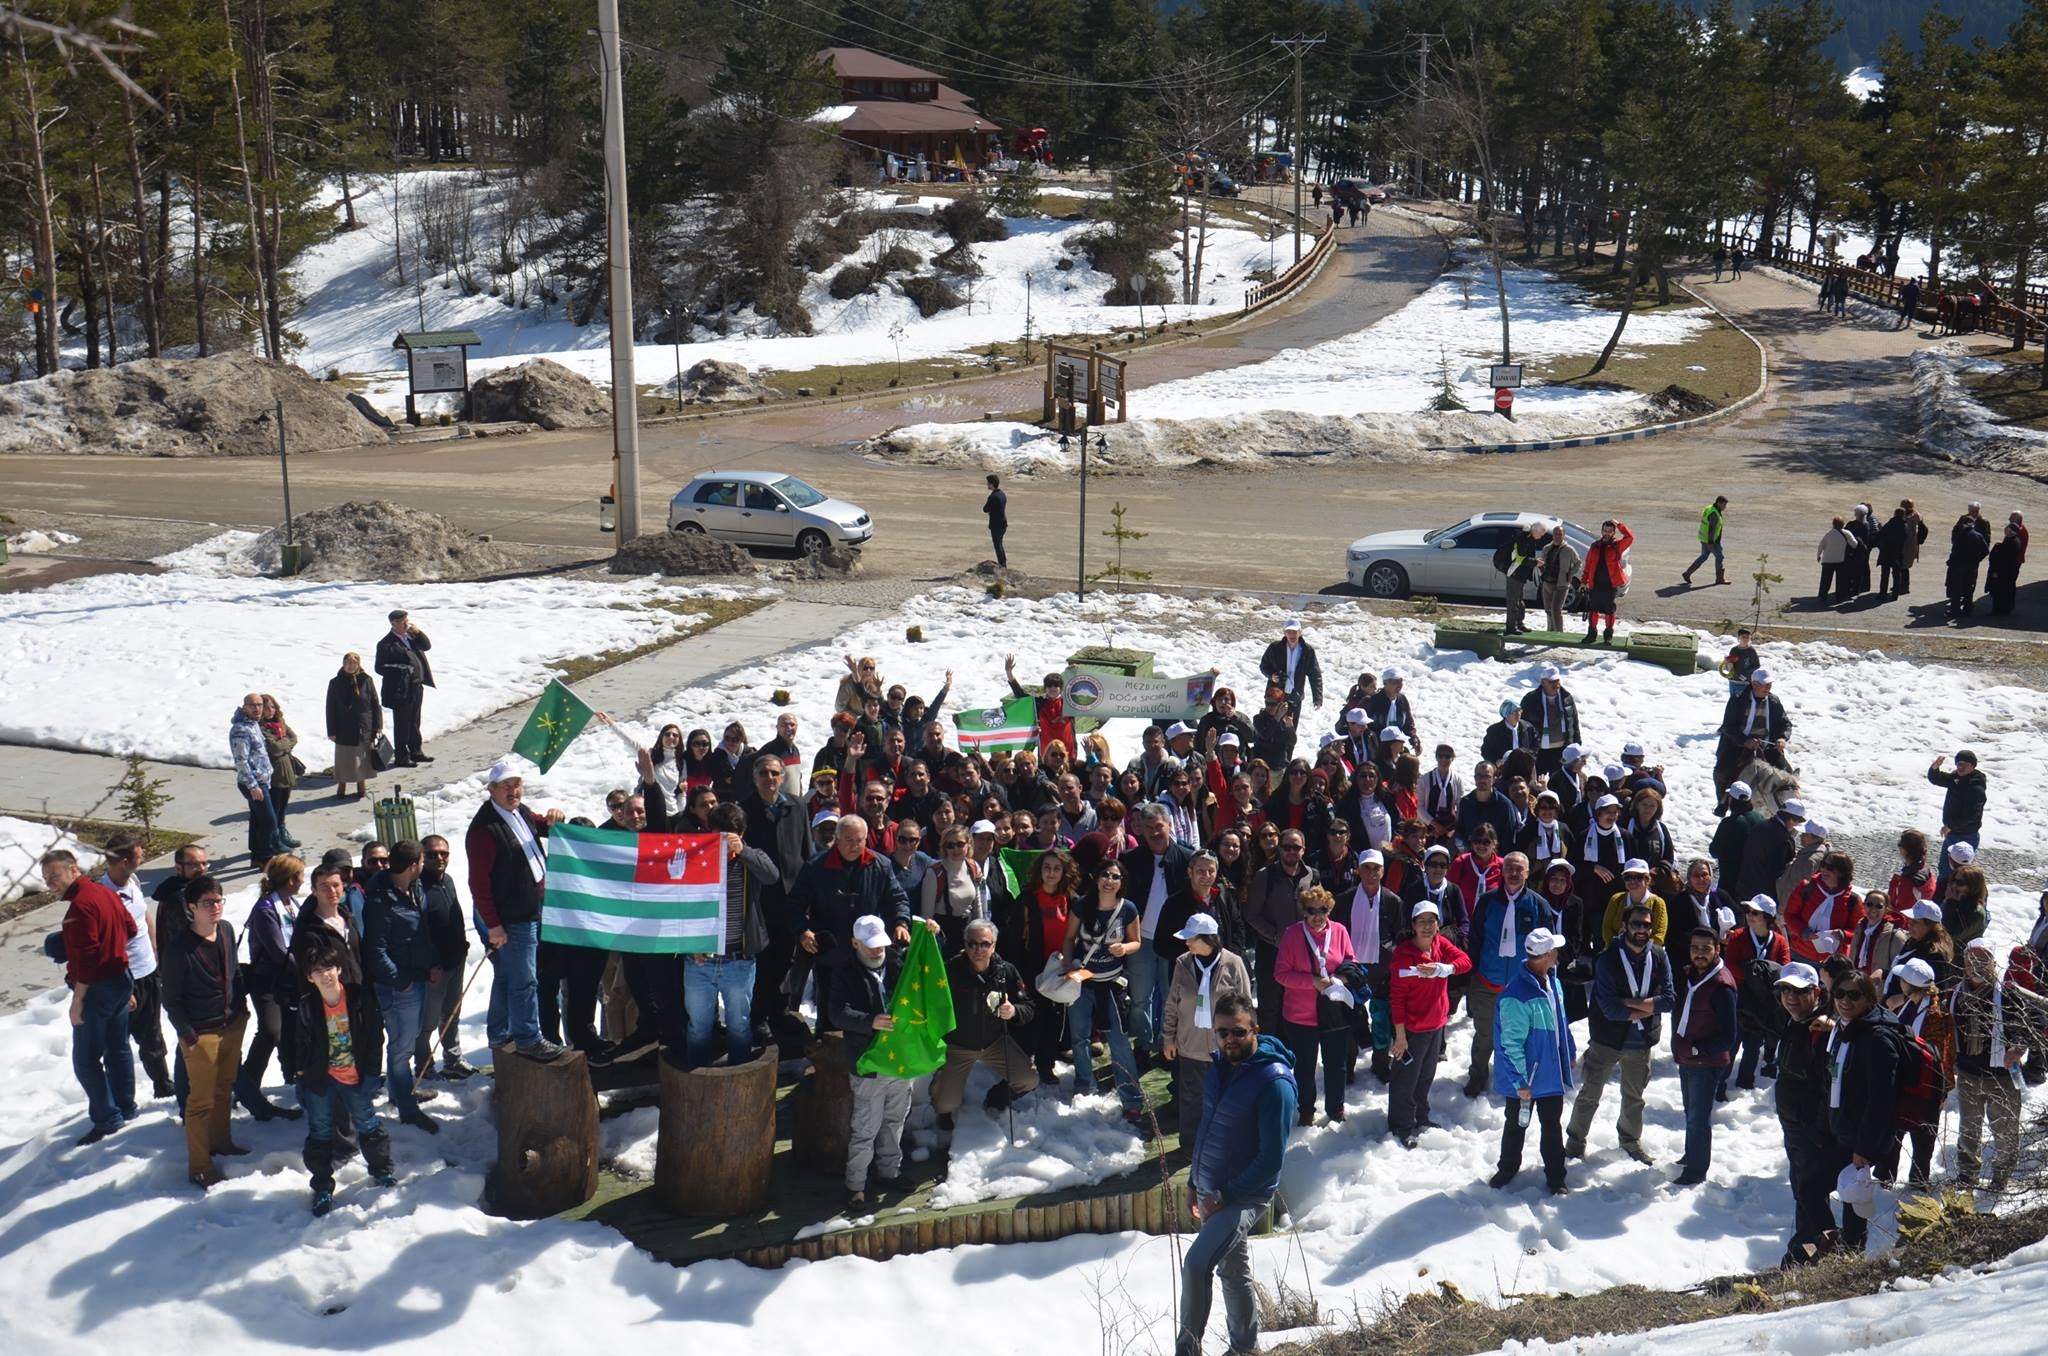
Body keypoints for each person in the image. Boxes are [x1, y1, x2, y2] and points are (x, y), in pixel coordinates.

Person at [1173, 992, 1296, 1356]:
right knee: (1232, 1270)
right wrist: (1195, 1182)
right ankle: (1246, 1349)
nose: (1230, 1040)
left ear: (1254, 1029)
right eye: (1223, 1032)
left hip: (1243, 1195)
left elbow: (1271, 1159)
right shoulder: (1219, 1067)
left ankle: (1186, 1351)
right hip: (1212, 1189)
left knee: (1196, 1265)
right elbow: (1206, 1130)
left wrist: (1223, 1195)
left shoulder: (1275, 1083)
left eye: (1239, 1032)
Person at [466, 762, 567, 1062]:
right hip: (513, 915)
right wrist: (494, 925)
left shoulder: (518, 812)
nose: (514, 791)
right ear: (492, 790)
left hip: (531, 907)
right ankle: (527, 1037)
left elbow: (540, 824)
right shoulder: (484, 830)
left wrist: (553, 819)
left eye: (517, 785)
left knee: (508, 976)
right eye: (506, 786)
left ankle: (498, 1031)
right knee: (525, 979)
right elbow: (478, 884)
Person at [292, 928, 396, 1214]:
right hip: (320, 1080)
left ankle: (382, 1170)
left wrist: (373, 1072)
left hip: (356, 1077)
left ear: (339, 969)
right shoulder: (308, 1006)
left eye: (329, 968)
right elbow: (300, 1044)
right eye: (317, 971)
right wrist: (300, 1075)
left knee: (368, 1122)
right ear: (309, 977)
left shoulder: (360, 999)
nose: (325, 975)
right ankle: (323, 1187)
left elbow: (376, 1037)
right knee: (320, 1131)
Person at [159, 874, 250, 1188]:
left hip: (231, 1025)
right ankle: (199, 1166)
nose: (215, 908)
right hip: (201, 1034)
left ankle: (221, 1141)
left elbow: (235, 973)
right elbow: (170, 999)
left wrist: (241, 1011)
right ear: (191, 907)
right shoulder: (179, 950)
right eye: (207, 903)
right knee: (200, 1102)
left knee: (225, 1087)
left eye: (219, 901)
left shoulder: (225, 930)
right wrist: (188, 1036)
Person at [1568, 902, 1673, 1164]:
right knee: (1590, 1093)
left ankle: (1630, 1140)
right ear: (1624, 926)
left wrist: (1629, 1003)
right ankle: (1574, 1142)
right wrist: (1649, 1006)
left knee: (1635, 1098)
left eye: (1647, 925)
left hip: (1641, 1041)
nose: (1641, 929)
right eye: (1636, 923)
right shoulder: (1607, 958)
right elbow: (1610, 1009)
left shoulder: (1658, 955)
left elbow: (1670, 1000)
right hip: (1607, 1039)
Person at [790, 813, 914, 1032]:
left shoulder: (880, 865)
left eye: (859, 840)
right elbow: (794, 905)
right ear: (836, 839)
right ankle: (829, 1055)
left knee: (868, 1008)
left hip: (868, 952)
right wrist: (803, 931)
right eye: (848, 840)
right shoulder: (816, 866)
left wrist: (901, 923)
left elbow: (897, 899)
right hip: (830, 951)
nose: (854, 846)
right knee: (831, 1010)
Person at [47, 850, 138, 1144]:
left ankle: (107, 1118)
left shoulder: (79, 910)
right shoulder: (105, 893)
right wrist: (115, 955)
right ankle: (126, 1106)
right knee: (118, 1048)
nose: (51, 884)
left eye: (55, 877)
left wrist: (77, 1003)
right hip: (121, 980)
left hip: (96, 989)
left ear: (73, 870)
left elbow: (86, 961)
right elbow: (131, 929)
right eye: (46, 880)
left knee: (86, 1061)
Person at [682, 805, 779, 1068]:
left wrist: (744, 850)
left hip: (739, 959)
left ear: (742, 833)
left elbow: (772, 876)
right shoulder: (694, 859)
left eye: (730, 835)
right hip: (700, 960)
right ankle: (698, 1079)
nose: (724, 842)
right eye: (718, 835)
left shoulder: (751, 858)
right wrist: (692, 945)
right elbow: (679, 905)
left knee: (739, 1025)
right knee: (698, 1027)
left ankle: (740, 1080)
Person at [1948, 939, 2043, 1191]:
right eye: (1971, 960)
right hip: (1969, 1072)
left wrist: (2019, 1047)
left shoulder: (2007, 992)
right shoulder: (1958, 992)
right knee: (1968, 1129)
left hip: (2001, 1075)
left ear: (1993, 962)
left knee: (2005, 1130)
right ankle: (1967, 1175)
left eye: (1982, 959)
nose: (1976, 965)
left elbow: (2032, 1021)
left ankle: (2001, 1176)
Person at [362, 839, 442, 1134]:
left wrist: (431, 963)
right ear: (413, 866)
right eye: (422, 862)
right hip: (398, 986)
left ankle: (400, 1091)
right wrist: (402, 981)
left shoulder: (415, 889)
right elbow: (376, 951)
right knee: (402, 1047)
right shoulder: (381, 901)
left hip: (416, 975)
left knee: (403, 1043)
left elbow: (422, 932)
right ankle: (407, 1109)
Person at [1488, 928, 1576, 1194]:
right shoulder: (1516, 996)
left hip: (1550, 1073)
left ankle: (1556, 1177)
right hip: (1527, 1077)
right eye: (1555, 951)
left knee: (1552, 1126)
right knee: (1516, 1124)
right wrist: (1520, 1081)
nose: (1558, 954)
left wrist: (1568, 1052)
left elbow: (1562, 1022)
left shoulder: (1553, 982)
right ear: (1547, 955)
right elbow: (1510, 1043)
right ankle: (1507, 1168)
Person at [833, 915, 911, 1207]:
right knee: (865, 1127)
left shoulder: (896, 963)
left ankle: (889, 1171)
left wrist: (935, 936)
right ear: (855, 943)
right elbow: (837, 1012)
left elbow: (925, 965)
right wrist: (869, 1022)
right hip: (868, 1063)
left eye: (881, 945)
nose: (878, 951)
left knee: (895, 1120)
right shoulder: (844, 971)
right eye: (870, 946)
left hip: (899, 1060)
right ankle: (855, 1183)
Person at [1823, 972, 1902, 1252]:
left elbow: (1881, 1100)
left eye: (1854, 995)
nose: (1845, 1000)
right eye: (1840, 994)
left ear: (1869, 999)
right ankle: (1843, 1245)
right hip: (1844, 1129)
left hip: (1860, 1138)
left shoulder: (1876, 1039)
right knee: (1845, 1194)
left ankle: (1852, 1252)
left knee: (1854, 1198)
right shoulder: (1847, 1029)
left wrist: (1864, 1146)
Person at [933, 918, 1039, 1127]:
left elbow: (1029, 1006)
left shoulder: (1006, 971)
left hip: (995, 1043)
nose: (978, 949)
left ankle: (998, 1096)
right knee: (944, 1105)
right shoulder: (950, 970)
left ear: (994, 946)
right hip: (958, 1045)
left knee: (1029, 1079)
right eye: (972, 943)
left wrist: (1014, 1011)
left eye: (984, 944)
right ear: (965, 944)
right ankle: (939, 1087)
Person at [1161, 912, 1252, 1146]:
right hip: (1190, 1046)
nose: (1187, 942)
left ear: (1209, 939)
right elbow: (1173, 1002)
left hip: (1225, 1048)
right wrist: (1168, 1038)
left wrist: (1246, 1045)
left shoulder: (1233, 963)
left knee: (1225, 1097)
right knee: (1191, 1100)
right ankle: (1190, 1146)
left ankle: (1223, 1144)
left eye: (1192, 938)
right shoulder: (1183, 962)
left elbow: (1245, 1006)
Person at [1064, 858, 1145, 1121]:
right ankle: (1084, 1086)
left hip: (1111, 984)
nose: (1110, 881)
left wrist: (1124, 948)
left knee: (1119, 1041)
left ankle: (1131, 1098)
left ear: (1122, 882)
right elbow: (1069, 938)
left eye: (1116, 877)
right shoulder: (1081, 905)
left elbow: (1137, 942)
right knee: (1080, 1036)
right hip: (1083, 982)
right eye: (1105, 875)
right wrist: (1068, 967)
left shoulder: (1128, 909)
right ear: (1097, 878)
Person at [1388, 899, 1471, 1147]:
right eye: (1421, 921)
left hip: (1436, 1026)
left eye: (1431, 921)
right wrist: (1400, 1036)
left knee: (1425, 1077)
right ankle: (1401, 1125)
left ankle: (1420, 1116)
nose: (1427, 926)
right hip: (1412, 1030)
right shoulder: (1403, 955)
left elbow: (1465, 962)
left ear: (1438, 925)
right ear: (1413, 925)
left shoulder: (1440, 944)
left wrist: (1444, 968)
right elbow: (1397, 1000)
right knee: (1405, 1081)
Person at [1466, 852, 1549, 1098]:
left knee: (1519, 1037)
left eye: (1519, 869)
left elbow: (1546, 948)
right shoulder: (1487, 901)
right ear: (1502, 871)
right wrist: (1474, 973)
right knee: (1485, 1035)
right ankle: (1478, 1075)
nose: (1514, 873)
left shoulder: (1537, 904)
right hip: (1487, 981)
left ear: (1527, 872)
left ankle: (1515, 1079)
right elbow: (1476, 939)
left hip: (1520, 985)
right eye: (1509, 868)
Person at [1771, 962, 1837, 1265]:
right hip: (1795, 1128)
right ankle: (1809, 1251)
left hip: (1811, 1131)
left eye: (1799, 991)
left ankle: (1809, 1253)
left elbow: (1826, 1085)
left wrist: (1817, 1130)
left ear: (1817, 993)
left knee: (1809, 1192)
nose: (1790, 997)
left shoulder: (1820, 1029)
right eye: (1785, 990)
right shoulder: (1796, 1022)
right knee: (1803, 1190)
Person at [1273, 885, 1355, 1126]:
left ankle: (1336, 1108)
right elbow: (1280, 974)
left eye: (1323, 910)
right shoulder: (1292, 934)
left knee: (1336, 1065)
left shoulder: (1339, 931)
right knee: (1305, 1067)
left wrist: (1341, 979)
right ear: (1303, 912)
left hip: (1334, 1012)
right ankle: (1306, 1109)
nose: (1318, 916)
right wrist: (1312, 982)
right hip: (1301, 1015)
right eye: (1312, 911)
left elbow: (1352, 962)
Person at [236, 854, 308, 1123]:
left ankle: (292, 1078)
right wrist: (306, 970)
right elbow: (278, 950)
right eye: (300, 876)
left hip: (290, 980)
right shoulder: (266, 909)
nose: (303, 880)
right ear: (290, 879)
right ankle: (247, 1085)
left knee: (291, 1032)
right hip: (268, 981)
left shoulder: (292, 902)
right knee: (271, 1031)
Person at [1670, 929, 1738, 1185]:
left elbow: (1729, 1036)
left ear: (1717, 950)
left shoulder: (1721, 985)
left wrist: (1698, 1050)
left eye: (1705, 949)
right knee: (1691, 1112)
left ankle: (1696, 1170)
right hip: (1687, 1058)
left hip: (1705, 1062)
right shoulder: (1691, 975)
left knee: (1699, 1118)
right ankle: (1692, 1154)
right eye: (1695, 948)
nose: (1699, 953)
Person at [1884, 957, 1953, 1190]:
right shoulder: (1911, 1003)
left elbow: (1937, 1054)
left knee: (1923, 1138)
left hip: (1925, 1087)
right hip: (1905, 1082)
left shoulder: (1934, 1015)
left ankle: (1918, 1182)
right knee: (1895, 1132)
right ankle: (1886, 1176)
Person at [1245, 828, 1319, 1031]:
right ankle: (1270, 1053)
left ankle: (1292, 1054)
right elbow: (1251, 914)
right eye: (1287, 847)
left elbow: (1319, 909)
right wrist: (1276, 936)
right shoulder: (1265, 876)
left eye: (1296, 847)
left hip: (1302, 953)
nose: (1291, 852)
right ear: (1279, 849)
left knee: (1295, 1007)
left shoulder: (1312, 876)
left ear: (1303, 850)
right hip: (1272, 951)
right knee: (1269, 1008)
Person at [1725, 895, 1791, 1089]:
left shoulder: (1779, 941)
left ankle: (1745, 1083)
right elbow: (1729, 965)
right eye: (1748, 912)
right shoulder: (1738, 936)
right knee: (1731, 1044)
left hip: (1762, 1002)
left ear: (1767, 917)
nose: (1749, 916)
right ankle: (1719, 1084)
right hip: (1739, 997)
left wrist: (1761, 975)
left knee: (1753, 1045)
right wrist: (1752, 974)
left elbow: (1784, 967)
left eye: (1755, 913)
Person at [374, 609, 435, 767]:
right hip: (401, 690)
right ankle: (402, 756)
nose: (406, 624)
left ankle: (416, 751)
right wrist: (400, 668)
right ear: (393, 624)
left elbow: (427, 646)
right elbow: (379, 668)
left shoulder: (411, 636)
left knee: (415, 720)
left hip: (416, 686)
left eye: (407, 621)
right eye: (403, 622)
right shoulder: (386, 644)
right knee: (402, 723)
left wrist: (418, 632)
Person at [230, 692, 279, 870]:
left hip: (263, 780)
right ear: (245, 707)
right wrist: (253, 786)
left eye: (260, 705)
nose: (258, 709)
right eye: (253, 705)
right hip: (253, 783)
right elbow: (241, 761)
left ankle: (257, 856)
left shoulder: (254, 725)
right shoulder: (241, 729)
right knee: (269, 821)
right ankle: (266, 857)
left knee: (258, 819)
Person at [1783, 849, 1856, 967]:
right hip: (1800, 954)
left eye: (1830, 867)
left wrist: (1843, 934)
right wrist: (1804, 932)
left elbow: (1857, 931)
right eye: (1823, 865)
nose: (1824, 869)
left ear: (1842, 872)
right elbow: (1790, 915)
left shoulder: (1853, 900)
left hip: (1832, 962)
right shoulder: (1806, 888)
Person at [325, 652, 382, 799]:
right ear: (343, 664)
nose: (351, 666)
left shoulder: (366, 680)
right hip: (343, 727)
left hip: (363, 726)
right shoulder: (335, 682)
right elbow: (330, 707)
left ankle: (361, 786)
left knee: (362, 758)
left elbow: (375, 703)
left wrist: (378, 725)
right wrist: (331, 730)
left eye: (354, 663)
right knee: (343, 759)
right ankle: (341, 787)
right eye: (349, 663)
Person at [1927, 750, 1986, 887]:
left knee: (1962, 875)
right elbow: (1937, 779)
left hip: (1967, 835)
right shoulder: (1956, 779)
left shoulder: (1976, 787)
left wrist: (1950, 825)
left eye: (1964, 764)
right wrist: (1935, 768)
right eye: (1958, 764)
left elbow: (1972, 815)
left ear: (1972, 766)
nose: (1960, 767)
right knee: (1944, 870)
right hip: (1952, 833)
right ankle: (1943, 899)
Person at [256, 694, 303, 851]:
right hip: (274, 773)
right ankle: (274, 839)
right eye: (266, 707)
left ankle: (283, 833)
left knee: (283, 806)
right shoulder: (261, 728)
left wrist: (283, 745)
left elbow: (294, 737)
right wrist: (285, 745)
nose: (270, 711)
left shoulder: (279, 722)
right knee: (274, 808)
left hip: (287, 770)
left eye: (272, 707)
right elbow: (274, 749)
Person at [1519, 664, 1581, 777]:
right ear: (1543, 682)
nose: (1556, 684)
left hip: (1562, 751)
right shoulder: (1531, 699)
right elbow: (1523, 726)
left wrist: (1577, 746)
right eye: (1552, 681)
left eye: (1557, 680)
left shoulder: (1566, 698)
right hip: (1540, 752)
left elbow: (1574, 723)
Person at [1579, 518, 1633, 645]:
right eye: (1605, 531)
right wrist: (1583, 581)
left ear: (1614, 533)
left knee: (1609, 610)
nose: (1607, 533)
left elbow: (1629, 537)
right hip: (1595, 584)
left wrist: (1619, 525)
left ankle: (1608, 635)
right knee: (1593, 610)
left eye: (1610, 531)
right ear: (1602, 531)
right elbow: (1588, 565)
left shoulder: (1617, 545)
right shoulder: (1595, 546)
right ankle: (1591, 634)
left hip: (1610, 584)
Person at [1259, 618, 1323, 714]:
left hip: (1295, 696)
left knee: (1291, 727)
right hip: (1275, 695)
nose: (1292, 635)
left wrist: (1317, 698)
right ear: (1285, 633)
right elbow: (1264, 666)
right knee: (1272, 726)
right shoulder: (1275, 648)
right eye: (1289, 632)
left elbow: (1315, 675)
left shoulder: (1307, 651)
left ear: (1300, 633)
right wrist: (1271, 676)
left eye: (1295, 632)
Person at [1945, 506, 1991, 620]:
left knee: (1957, 589)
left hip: (1958, 566)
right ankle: (1968, 610)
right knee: (1968, 589)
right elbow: (1985, 550)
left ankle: (1955, 610)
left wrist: (1951, 562)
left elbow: (1955, 551)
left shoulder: (1960, 536)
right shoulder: (1978, 536)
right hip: (1972, 566)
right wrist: (1977, 559)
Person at [1535, 523, 1581, 633]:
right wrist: (1541, 569)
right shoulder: (1547, 548)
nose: (1557, 536)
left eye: (1560, 534)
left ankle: (1559, 633)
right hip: (1547, 583)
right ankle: (1550, 631)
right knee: (1548, 610)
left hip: (1561, 584)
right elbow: (1542, 562)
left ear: (1563, 535)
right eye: (1556, 534)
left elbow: (1578, 563)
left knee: (1556, 610)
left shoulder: (1569, 549)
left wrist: (1570, 574)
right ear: (1553, 535)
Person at [1502, 521, 1544, 635]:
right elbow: (1521, 558)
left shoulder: (1529, 539)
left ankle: (1519, 624)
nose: (1541, 536)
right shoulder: (1524, 539)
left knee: (1519, 601)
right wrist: (1535, 562)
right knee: (1513, 602)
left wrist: (1535, 562)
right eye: (1541, 533)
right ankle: (1510, 628)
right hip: (1514, 573)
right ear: (1535, 531)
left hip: (1520, 574)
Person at [1876, 503, 1925, 599]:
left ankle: (1883, 594)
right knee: (1897, 574)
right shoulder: (1906, 526)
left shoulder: (1890, 524)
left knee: (1885, 575)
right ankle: (1895, 594)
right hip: (1899, 553)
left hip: (1887, 553)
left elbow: (1882, 535)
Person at [1682, 495, 1729, 587]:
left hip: (1704, 539)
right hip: (1711, 541)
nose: (1725, 507)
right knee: (1720, 557)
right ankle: (1720, 579)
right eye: (1724, 505)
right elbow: (1711, 529)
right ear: (1718, 503)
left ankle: (1687, 573)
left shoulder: (1710, 508)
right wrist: (1711, 543)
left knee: (1703, 556)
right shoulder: (1714, 514)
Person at [982, 472, 1008, 566]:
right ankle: (1003, 562)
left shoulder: (993, 497)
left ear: (992, 484)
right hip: (1002, 523)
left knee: (997, 545)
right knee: (999, 544)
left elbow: (985, 509)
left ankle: (1002, 564)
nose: (987, 485)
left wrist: (990, 512)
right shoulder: (1002, 494)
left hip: (997, 524)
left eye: (988, 483)